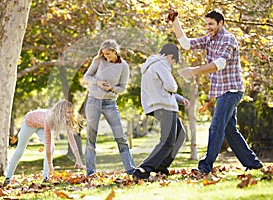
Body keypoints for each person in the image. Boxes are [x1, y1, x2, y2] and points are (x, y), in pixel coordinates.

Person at [170, 9, 263, 174]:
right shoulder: (208, 40)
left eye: (211, 24)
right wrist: (175, 21)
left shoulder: (228, 39)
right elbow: (186, 43)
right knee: (229, 130)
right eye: (206, 24)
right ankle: (254, 164)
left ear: (221, 23)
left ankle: (205, 166)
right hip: (222, 92)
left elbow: (219, 63)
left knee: (215, 127)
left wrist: (194, 70)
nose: (208, 27)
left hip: (231, 90)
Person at [133, 43, 189, 179]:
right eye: (173, 61)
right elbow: (171, 86)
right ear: (170, 56)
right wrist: (175, 86)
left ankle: (161, 166)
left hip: (158, 105)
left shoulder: (151, 66)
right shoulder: (162, 64)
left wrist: (180, 99)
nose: (172, 64)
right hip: (164, 107)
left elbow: (162, 89)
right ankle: (143, 169)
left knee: (180, 134)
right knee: (167, 141)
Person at [83, 39, 136, 176]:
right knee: (91, 137)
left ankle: (130, 169)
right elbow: (87, 76)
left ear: (115, 51)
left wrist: (112, 88)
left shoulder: (124, 66)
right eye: (104, 54)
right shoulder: (99, 61)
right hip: (93, 101)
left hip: (110, 104)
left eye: (108, 53)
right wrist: (98, 82)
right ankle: (90, 171)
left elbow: (123, 88)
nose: (106, 56)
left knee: (120, 137)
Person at [4, 100, 84, 185]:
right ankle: (8, 177)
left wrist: (79, 160)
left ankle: (46, 177)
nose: (71, 114)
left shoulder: (67, 120)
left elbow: (71, 140)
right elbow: (48, 145)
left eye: (72, 112)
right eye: (68, 112)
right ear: (61, 112)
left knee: (52, 147)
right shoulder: (49, 119)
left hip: (41, 126)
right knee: (20, 150)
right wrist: (50, 164)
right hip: (29, 123)